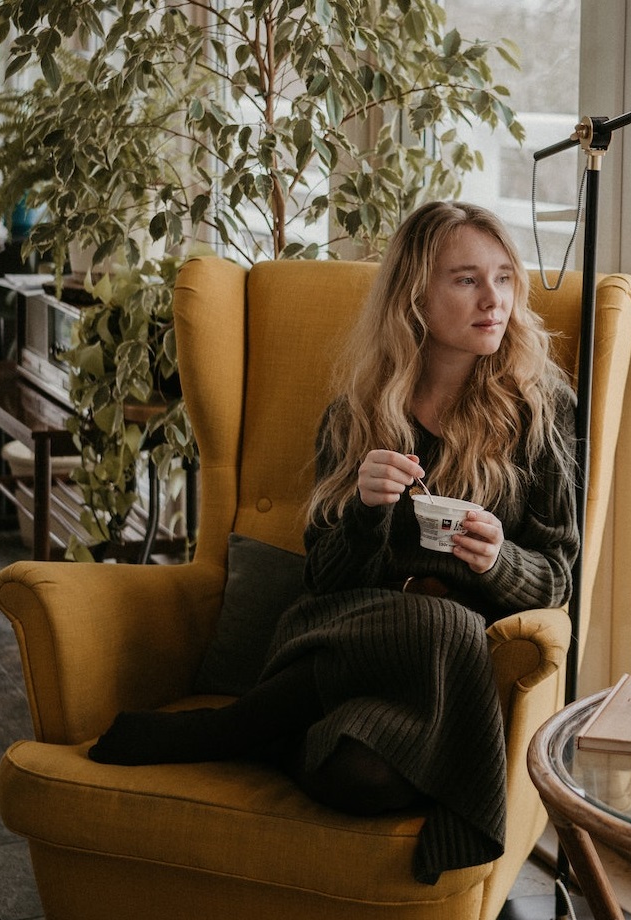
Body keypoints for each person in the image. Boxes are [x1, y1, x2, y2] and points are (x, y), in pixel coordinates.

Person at [87, 200, 580, 883]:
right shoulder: (357, 412)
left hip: (432, 684)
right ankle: (243, 727)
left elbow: (557, 577)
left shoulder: (540, 408)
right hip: (338, 635)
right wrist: (366, 514)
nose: (493, 299)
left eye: (503, 277)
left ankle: (252, 732)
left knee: (370, 778)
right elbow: (326, 579)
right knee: (445, 624)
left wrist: (497, 561)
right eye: (466, 280)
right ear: (415, 295)